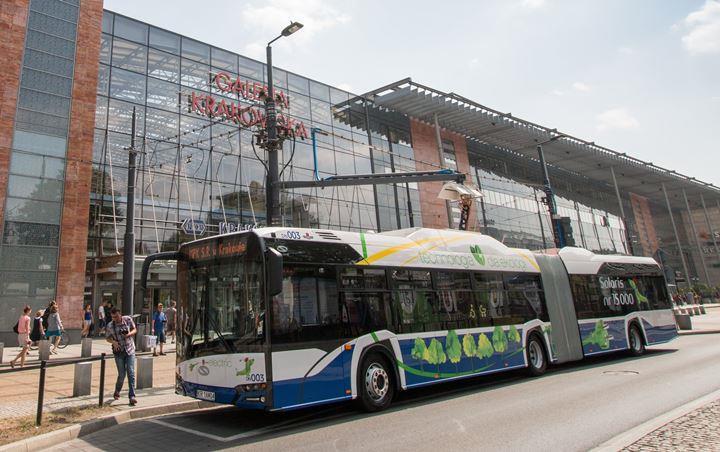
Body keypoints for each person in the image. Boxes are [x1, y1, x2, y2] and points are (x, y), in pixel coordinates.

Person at [106, 307, 138, 406]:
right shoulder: (110, 325)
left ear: (120, 314)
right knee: (122, 374)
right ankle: (117, 391)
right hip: (119, 352)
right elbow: (107, 338)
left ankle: (132, 396)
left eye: (116, 316)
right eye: (112, 317)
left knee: (131, 372)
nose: (114, 319)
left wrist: (129, 334)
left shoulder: (128, 319)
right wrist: (113, 342)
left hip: (130, 350)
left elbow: (134, 329)